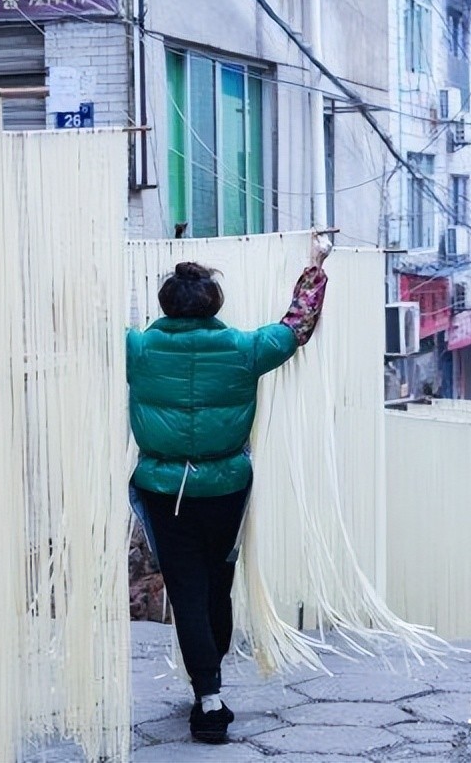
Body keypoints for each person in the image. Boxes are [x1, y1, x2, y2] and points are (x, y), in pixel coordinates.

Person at [128, 232, 330, 745]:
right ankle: (209, 683)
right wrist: (314, 266)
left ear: (165, 305)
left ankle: (208, 695)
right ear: (214, 304)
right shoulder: (243, 349)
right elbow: (297, 325)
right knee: (218, 580)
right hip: (225, 487)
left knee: (186, 589)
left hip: (161, 485)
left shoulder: (139, 349)